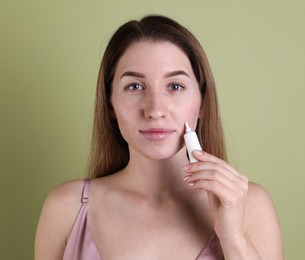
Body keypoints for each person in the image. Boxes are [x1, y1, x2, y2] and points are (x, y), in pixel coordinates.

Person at [35, 15, 283, 259]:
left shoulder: (250, 206)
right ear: (110, 102)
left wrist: (233, 237)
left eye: (175, 86)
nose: (155, 110)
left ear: (203, 102)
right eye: (135, 87)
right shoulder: (67, 208)